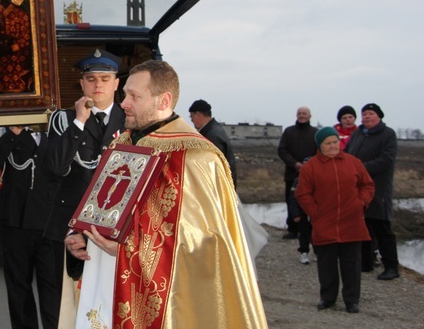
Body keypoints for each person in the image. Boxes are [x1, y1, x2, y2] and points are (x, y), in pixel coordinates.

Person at [66, 60, 267, 328]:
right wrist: (81, 236)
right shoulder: (122, 144)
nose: (123, 103)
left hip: (163, 299)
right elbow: (104, 208)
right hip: (103, 277)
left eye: (134, 96)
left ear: (164, 101)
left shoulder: (197, 157)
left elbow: (208, 244)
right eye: (125, 94)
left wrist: (129, 248)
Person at [43, 49, 126, 327]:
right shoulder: (64, 120)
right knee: (68, 308)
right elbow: (54, 167)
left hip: (114, 229)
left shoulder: (131, 121)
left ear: (117, 83)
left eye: (105, 78)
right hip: (69, 227)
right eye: (91, 78)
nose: (98, 85)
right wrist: (80, 121)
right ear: (81, 84)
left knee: (111, 304)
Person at [0, 125, 61, 329]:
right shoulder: (2, 131)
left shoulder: (58, 126)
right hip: (15, 221)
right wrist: (13, 133)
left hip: (50, 222)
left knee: (53, 289)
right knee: (18, 288)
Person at [295, 126, 375, 314]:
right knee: (326, 265)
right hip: (324, 223)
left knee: (352, 265)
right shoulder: (310, 167)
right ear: (319, 146)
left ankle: (351, 300)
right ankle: (328, 298)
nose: (333, 146)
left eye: (335, 142)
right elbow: (302, 193)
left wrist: (361, 203)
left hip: (352, 222)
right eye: (328, 143)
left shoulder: (353, 162)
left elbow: (368, 185)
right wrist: (315, 213)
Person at [345, 103, 399, 280]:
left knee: (382, 227)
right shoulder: (358, 134)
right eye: (364, 114)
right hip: (357, 189)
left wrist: (359, 169)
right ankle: (365, 262)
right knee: (362, 226)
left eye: (371, 114)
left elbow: (386, 160)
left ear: (379, 116)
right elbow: (346, 154)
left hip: (379, 189)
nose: (367, 117)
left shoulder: (388, 134)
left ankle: (391, 266)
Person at [277, 106, 318, 240]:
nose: (302, 116)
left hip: (311, 174)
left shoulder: (316, 133)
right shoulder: (289, 132)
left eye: (304, 114)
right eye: (299, 114)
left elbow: (319, 152)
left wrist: (308, 165)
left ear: (309, 116)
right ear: (296, 115)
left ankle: (311, 229)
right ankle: (293, 229)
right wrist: (295, 164)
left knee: (311, 201)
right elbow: (282, 150)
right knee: (291, 201)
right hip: (292, 173)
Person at [188, 99, 237, 187]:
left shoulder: (211, 135)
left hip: (219, 188)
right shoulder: (215, 129)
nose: (191, 120)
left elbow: (213, 168)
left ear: (198, 114)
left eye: (191, 116)